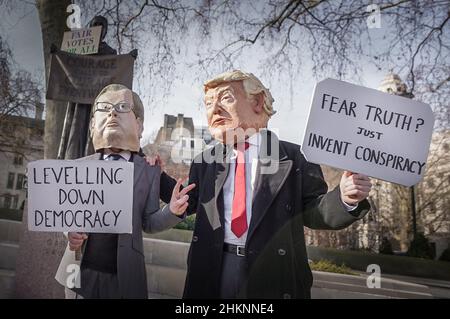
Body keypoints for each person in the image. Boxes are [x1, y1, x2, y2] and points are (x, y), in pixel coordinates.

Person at [156, 70, 372, 299]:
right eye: (208, 102)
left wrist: (344, 198)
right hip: (213, 269)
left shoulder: (295, 157)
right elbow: (184, 201)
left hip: (272, 273)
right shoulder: (205, 161)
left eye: (226, 98)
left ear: (258, 102)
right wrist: (151, 172)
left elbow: (314, 212)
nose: (214, 109)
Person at [55, 84, 195, 299]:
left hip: (124, 276)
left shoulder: (149, 171)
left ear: (138, 126)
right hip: (78, 272)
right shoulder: (79, 166)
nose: (112, 113)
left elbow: (149, 222)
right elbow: (67, 213)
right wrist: (69, 232)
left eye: (121, 107)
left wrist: (172, 211)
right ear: (94, 124)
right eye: (105, 108)